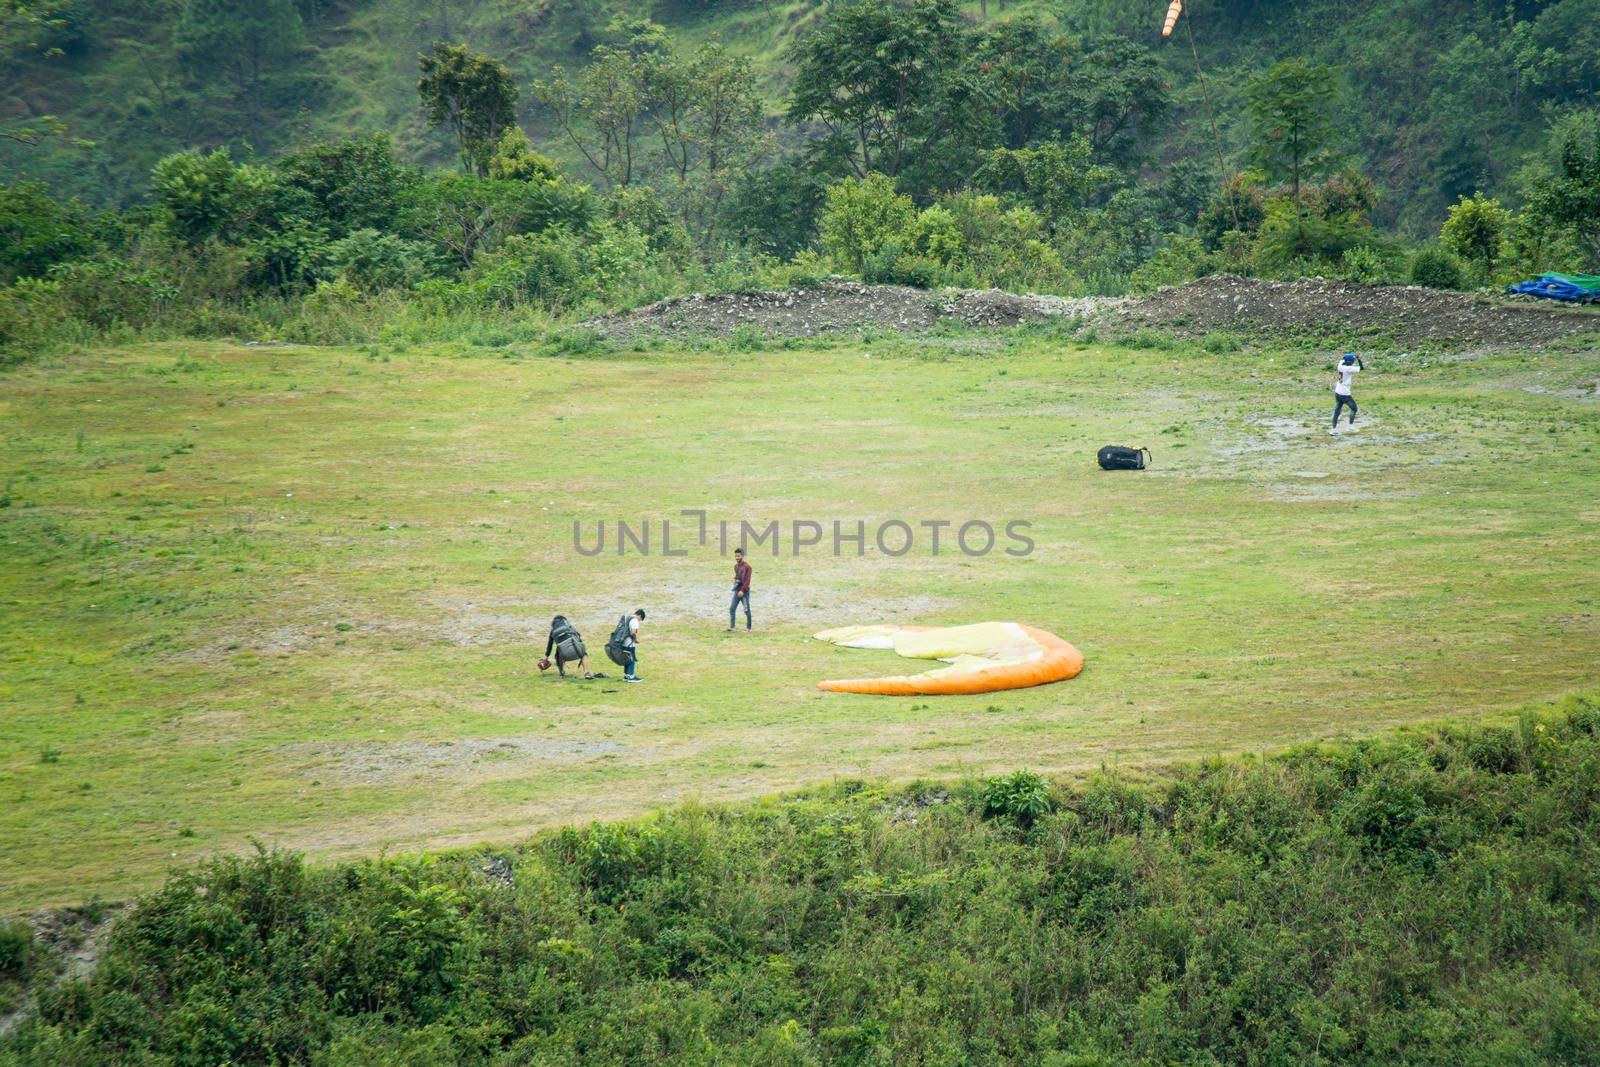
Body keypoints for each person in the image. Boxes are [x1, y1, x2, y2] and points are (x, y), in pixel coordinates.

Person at [540, 614, 592, 678]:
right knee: (584, 655)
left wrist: (546, 658)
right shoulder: (569, 627)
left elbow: (549, 646)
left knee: (558, 653)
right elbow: (578, 637)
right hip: (576, 653)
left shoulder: (553, 631)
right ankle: (587, 673)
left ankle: (561, 673)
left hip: (564, 656)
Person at [605, 608, 646, 682]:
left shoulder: (627, 618)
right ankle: (631, 677)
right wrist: (635, 639)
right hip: (629, 643)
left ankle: (626, 676)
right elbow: (633, 632)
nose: (639, 621)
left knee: (626, 659)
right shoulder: (635, 621)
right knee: (631, 659)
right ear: (639, 615)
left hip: (622, 642)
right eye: (640, 619)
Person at [1331, 352, 1364, 433]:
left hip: (1338, 391)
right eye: (1352, 361)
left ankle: (1334, 429)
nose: (1353, 362)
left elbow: (1343, 358)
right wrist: (1358, 359)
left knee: (1337, 411)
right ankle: (1351, 426)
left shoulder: (1340, 365)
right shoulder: (1348, 369)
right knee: (1354, 408)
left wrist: (1351, 356)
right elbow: (1361, 368)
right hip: (1345, 393)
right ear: (1348, 361)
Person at [727, 547, 752, 631]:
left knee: (746, 610)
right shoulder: (736, 566)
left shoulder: (747, 567)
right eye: (736, 556)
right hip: (737, 591)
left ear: (742, 556)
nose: (737, 558)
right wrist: (734, 578)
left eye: (738, 556)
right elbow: (738, 576)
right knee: (732, 608)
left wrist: (742, 590)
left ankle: (748, 628)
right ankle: (732, 626)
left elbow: (747, 581)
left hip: (744, 592)